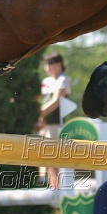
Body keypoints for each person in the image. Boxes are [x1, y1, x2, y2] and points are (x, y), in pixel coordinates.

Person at [35, 52, 71, 188]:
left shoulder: (63, 79)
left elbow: (56, 102)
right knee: (42, 155)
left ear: (59, 64)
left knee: (53, 157)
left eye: (50, 63)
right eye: (46, 64)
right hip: (43, 124)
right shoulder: (46, 81)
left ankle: (57, 189)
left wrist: (38, 113)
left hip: (56, 124)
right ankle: (48, 187)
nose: (47, 67)